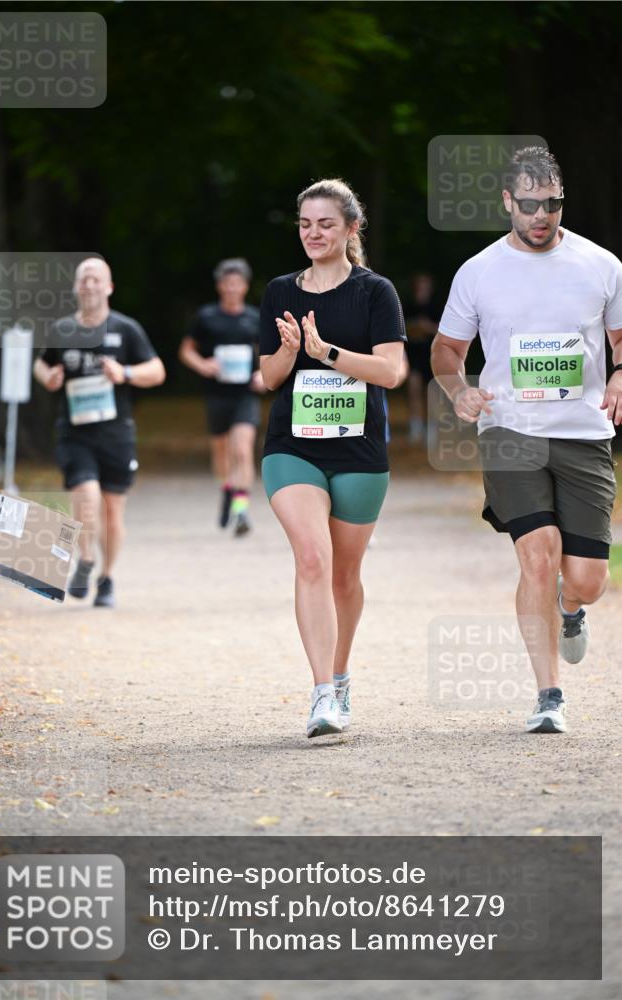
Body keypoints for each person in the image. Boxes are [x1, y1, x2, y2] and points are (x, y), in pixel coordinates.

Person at [431, 146, 622, 734]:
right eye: (531, 204)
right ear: (509, 202)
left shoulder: (602, 265)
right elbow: (446, 351)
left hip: (584, 432)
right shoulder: (478, 271)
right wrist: (458, 390)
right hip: (509, 430)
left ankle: (570, 608)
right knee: (536, 552)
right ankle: (548, 695)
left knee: (589, 578)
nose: (543, 215)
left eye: (554, 203)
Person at [259, 178, 406, 738]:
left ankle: (341, 678)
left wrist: (329, 355)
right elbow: (267, 377)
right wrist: (292, 354)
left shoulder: (376, 292)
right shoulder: (279, 291)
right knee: (313, 559)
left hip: (359, 451)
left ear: (350, 228)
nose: (313, 233)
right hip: (291, 448)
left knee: (345, 574)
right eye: (305, 224)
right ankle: (322, 693)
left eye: (325, 223)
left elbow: (392, 372)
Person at [33, 257, 165, 608]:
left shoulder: (125, 329)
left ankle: (106, 578)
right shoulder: (61, 330)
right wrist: (48, 377)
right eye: (83, 279)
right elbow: (42, 362)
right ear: (76, 288)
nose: (89, 284)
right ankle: (86, 558)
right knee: (86, 496)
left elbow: (157, 370)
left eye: (96, 279)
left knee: (112, 510)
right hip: (75, 432)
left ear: (109, 287)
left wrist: (125, 374)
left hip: (116, 432)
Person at [179, 259, 264, 536]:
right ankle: (227, 489)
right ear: (219, 286)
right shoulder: (207, 317)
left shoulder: (254, 318)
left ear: (245, 286)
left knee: (242, 450)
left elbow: (268, 353)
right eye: (227, 283)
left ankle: (241, 510)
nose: (231, 288)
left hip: (245, 395)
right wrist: (202, 365)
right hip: (217, 394)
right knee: (221, 454)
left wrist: (263, 374)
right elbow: (186, 350)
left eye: (236, 283)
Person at [404, 273, 440, 443]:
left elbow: (444, 330)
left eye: (424, 284)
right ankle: (415, 426)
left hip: (431, 353)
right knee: (413, 388)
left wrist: (428, 327)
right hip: (413, 353)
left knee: (430, 392)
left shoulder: (436, 306)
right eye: (419, 284)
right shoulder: (408, 305)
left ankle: (431, 427)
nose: (421, 288)